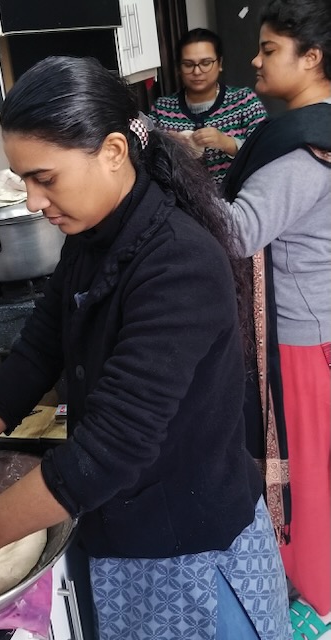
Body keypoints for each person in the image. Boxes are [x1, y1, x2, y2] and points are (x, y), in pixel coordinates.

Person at [0, 55, 291, 640]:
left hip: (189, 553)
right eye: (23, 181)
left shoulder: (177, 263)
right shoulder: (90, 237)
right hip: (119, 532)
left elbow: (110, 450)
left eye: (45, 178)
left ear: (113, 151)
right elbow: (35, 354)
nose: (34, 202)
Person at [221, 0, 331, 635]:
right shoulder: (312, 131)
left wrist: (167, 187)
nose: (256, 61)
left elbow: (237, 234)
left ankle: (312, 597)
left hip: (297, 338)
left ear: (311, 57)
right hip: (314, 329)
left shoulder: (301, 148)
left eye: (268, 50)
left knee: (301, 476)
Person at [148, 28, 267, 185]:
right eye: (188, 64)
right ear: (178, 68)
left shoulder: (244, 101)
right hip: (182, 204)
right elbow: (145, 156)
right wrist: (169, 146)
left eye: (206, 63)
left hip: (237, 200)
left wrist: (227, 143)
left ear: (220, 64)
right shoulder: (162, 109)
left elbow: (265, 151)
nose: (197, 71)